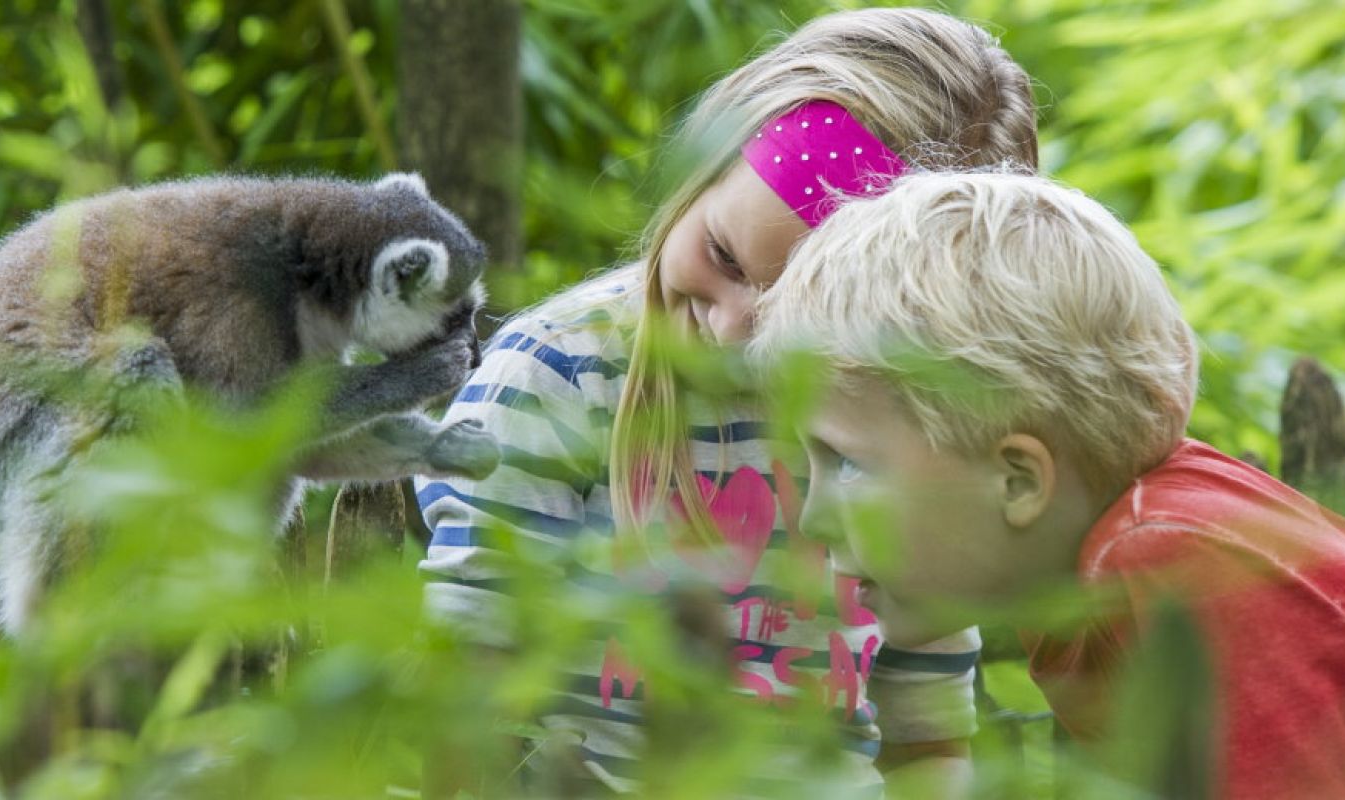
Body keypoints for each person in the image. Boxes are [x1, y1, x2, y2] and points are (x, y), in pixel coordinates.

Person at [416, 7, 1040, 795]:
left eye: (796, 316)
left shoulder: (901, 433)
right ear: (705, 163)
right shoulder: (561, 377)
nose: (733, 328)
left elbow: (928, 742)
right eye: (722, 255)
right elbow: (466, 700)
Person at [750, 170, 1345, 799]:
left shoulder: (1176, 564)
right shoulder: (1073, 577)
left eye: (847, 462)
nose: (813, 516)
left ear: (1017, 481)